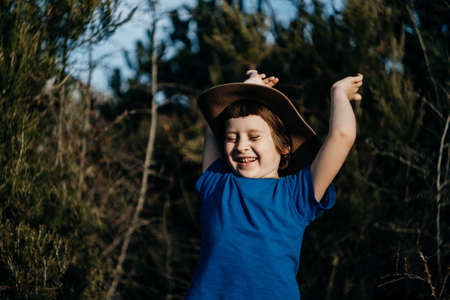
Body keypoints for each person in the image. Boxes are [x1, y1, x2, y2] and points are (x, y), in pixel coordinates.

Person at [185, 70, 363, 299]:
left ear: (284, 146)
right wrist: (247, 87)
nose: (241, 146)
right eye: (232, 138)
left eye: (254, 137)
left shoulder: (296, 194)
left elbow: (342, 135)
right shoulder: (217, 184)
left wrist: (338, 92)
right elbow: (214, 119)